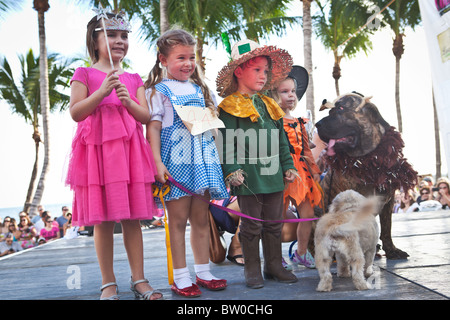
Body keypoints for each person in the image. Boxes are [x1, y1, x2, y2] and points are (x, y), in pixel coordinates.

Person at [66, 11, 161, 300]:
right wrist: (102, 92)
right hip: (97, 156)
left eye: (123, 36)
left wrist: (127, 100)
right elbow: (75, 112)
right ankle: (108, 283)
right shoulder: (84, 74)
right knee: (103, 220)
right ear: (94, 42)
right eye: (111, 35)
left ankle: (139, 279)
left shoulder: (133, 78)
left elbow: (145, 116)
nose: (119, 40)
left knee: (133, 218)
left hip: (129, 155)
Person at [145, 29, 229, 298]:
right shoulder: (158, 91)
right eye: (180, 57)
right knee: (178, 221)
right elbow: (154, 130)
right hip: (177, 162)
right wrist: (157, 162)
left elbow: (213, 130)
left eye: (191, 57)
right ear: (163, 59)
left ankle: (203, 271)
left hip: (202, 160)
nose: (188, 63)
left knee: (201, 220)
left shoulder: (200, 89)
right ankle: (181, 276)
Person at [216, 39, 298, 289]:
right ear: (239, 71)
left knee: (274, 222)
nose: (263, 75)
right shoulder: (228, 107)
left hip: (273, 173)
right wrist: (231, 171)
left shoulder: (269, 104)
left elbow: (281, 138)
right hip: (248, 175)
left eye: (265, 70)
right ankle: (252, 268)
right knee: (251, 224)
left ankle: (273, 265)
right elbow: (226, 142)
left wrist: (287, 164)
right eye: (256, 70)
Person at [269, 66, 322, 269]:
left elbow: (307, 150)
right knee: (277, 217)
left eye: (292, 91)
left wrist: (315, 171)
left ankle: (301, 252)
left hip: (302, 174)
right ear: (274, 95)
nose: (290, 95)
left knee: (307, 214)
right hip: (281, 172)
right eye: (284, 92)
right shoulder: (272, 121)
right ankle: (274, 256)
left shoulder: (300, 121)